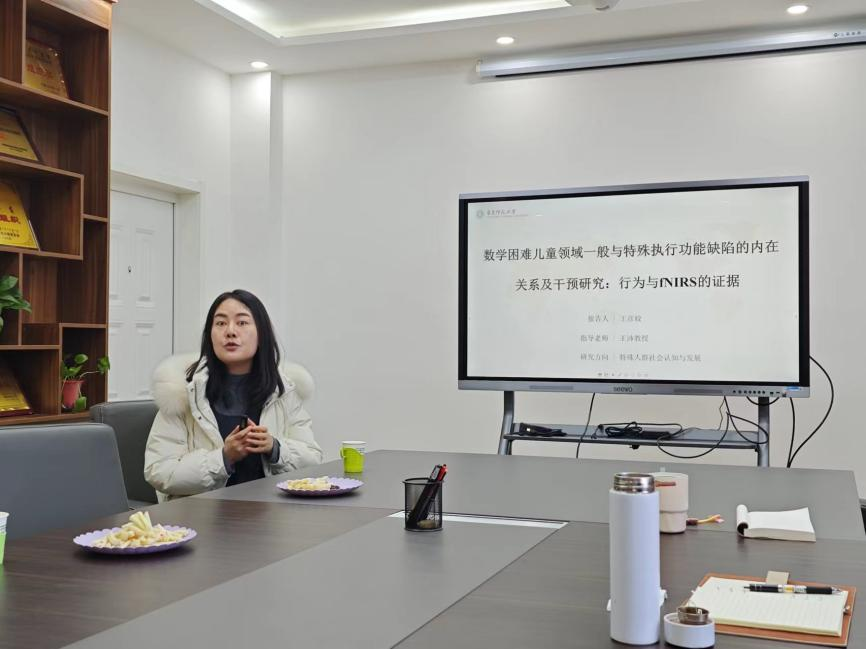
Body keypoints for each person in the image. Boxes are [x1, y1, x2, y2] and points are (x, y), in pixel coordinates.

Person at [144, 289, 322, 501]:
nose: (230, 331)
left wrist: (275, 448)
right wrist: (223, 458)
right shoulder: (182, 392)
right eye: (220, 323)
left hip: (271, 512)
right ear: (210, 335)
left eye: (242, 322)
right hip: (200, 515)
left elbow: (312, 459)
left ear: (261, 333)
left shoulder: (283, 390)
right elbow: (160, 471)